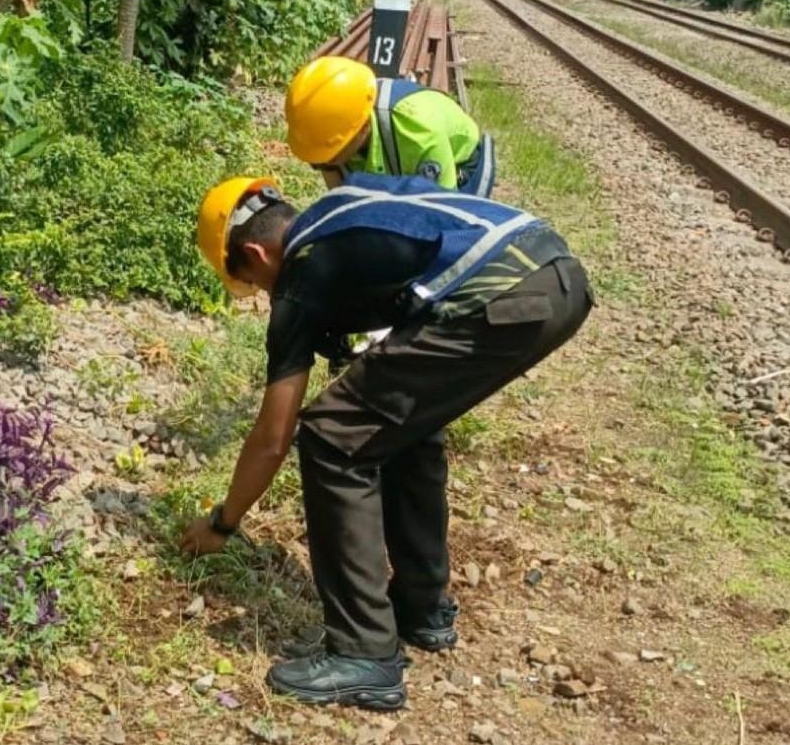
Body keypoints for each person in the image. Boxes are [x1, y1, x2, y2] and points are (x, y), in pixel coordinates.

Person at [181, 173, 592, 711]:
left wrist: (222, 523)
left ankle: (363, 654)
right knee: (398, 426)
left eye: (255, 284)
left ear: (256, 253)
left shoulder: (305, 271)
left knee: (332, 438)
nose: (265, 296)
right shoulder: (343, 210)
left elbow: (272, 437)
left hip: (502, 294)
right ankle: (421, 610)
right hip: (554, 273)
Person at [286, 55, 495, 197]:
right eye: (319, 163)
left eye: (331, 157)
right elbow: (341, 201)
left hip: (461, 163)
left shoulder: (417, 131)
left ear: (363, 128)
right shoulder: (335, 132)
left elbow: (445, 214)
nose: (326, 166)